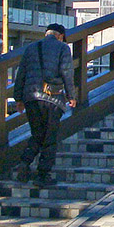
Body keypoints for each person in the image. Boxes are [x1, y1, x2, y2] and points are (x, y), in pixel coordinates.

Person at [13, 23, 77, 185]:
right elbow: (67, 73)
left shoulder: (30, 48)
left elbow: (21, 74)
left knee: (37, 134)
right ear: (61, 36)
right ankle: (43, 175)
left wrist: (18, 99)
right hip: (52, 98)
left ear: (47, 33)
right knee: (50, 137)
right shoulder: (63, 48)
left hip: (31, 97)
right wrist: (71, 96)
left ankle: (24, 163)